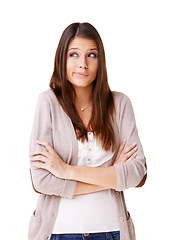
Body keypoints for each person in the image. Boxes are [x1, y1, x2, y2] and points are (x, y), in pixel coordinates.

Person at [29, 22, 147, 240]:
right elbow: (41, 180)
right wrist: (112, 174)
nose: (82, 64)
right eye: (73, 54)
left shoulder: (120, 104)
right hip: (58, 233)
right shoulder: (48, 103)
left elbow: (137, 173)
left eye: (91, 55)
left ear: (100, 60)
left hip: (112, 232)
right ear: (62, 59)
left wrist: (66, 170)